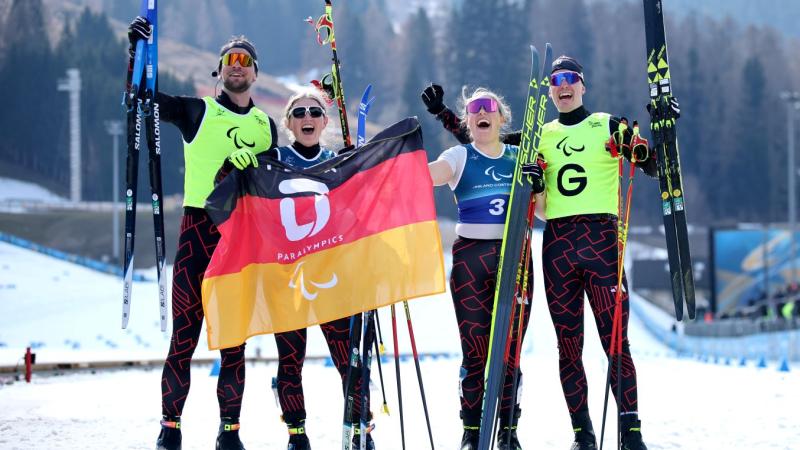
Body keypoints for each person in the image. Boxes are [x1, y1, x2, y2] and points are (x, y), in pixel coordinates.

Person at [424, 56, 658, 450]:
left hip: (602, 240)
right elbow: (485, 144)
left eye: (570, 78)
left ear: (582, 85)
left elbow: (648, 164)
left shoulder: (606, 122)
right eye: (555, 79)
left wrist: (654, 140)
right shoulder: (538, 135)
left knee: (616, 341)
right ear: (549, 90)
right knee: (568, 347)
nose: (563, 85)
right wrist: (446, 115)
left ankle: (631, 432)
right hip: (558, 245)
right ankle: (583, 434)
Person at [128, 17, 278, 450]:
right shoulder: (199, 111)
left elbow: (274, 187)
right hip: (197, 234)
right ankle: (169, 429)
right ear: (219, 70)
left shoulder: (266, 127)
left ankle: (228, 433)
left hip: (240, 239)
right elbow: (140, 100)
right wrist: (135, 53)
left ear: (255, 72)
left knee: (233, 343)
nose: (237, 66)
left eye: (244, 60)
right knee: (184, 339)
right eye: (230, 59)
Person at [251, 90, 374, 450]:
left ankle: (361, 430)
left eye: (315, 112)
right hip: (287, 277)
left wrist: (358, 174)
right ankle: (296, 435)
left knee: (349, 362)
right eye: (299, 112)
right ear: (288, 123)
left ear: (324, 122)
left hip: (330, 278)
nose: (307, 117)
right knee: (290, 360)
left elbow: (355, 215)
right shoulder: (274, 158)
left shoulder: (337, 163)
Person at [425, 87, 539, 450]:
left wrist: (539, 185)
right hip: (470, 259)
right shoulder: (459, 155)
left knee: (509, 350)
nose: (481, 113)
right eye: (474, 108)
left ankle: (509, 431)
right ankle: (471, 433)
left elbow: (547, 210)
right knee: (474, 350)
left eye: (488, 106)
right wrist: (392, 160)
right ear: (467, 120)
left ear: (501, 118)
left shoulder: (520, 157)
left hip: (514, 258)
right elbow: (428, 176)